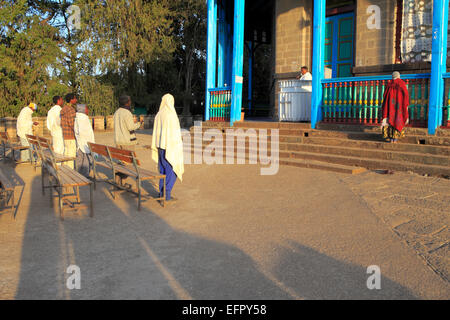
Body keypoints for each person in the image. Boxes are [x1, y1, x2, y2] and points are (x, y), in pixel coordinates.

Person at [151, 94, 184, 202]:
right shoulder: (171, 115)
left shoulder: (159, 114)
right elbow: (175, 134)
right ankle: (166, 194)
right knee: (172, 170)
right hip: (170, 147)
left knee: (162, 170)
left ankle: (161, 192)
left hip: (160, 146)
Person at [381, 72, 410, 143]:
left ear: (392, 76)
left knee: (390, 119)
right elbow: (406, 96)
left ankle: (390, 138)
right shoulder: (402, 84)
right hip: (399, 106)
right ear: (399, 76)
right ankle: (395, 138)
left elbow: (384, 97)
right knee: (397, 119)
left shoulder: (389, 85)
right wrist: (405, 105)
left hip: (390, 106)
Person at [74, 104, 95, 178]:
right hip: (86, 142)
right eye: (87, 108)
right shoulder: (83, 118)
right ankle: (85, 175)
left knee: (80, 158)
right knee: (86, 159)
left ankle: (79, 174)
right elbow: (86, 132)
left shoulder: (77, 117)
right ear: (83, 109)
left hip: (79, 141)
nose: (88, 110)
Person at [60, 93, 78, 169]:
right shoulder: (71, 110)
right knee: (71, 155)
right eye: (75, 98)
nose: (76, 100)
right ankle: (70, 172)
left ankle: (65, 170)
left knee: (66, 153)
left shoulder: (63, 109)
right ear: (71, 100)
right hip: (70, 135)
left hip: (65, 134)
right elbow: (72, 124)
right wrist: (77, 132)